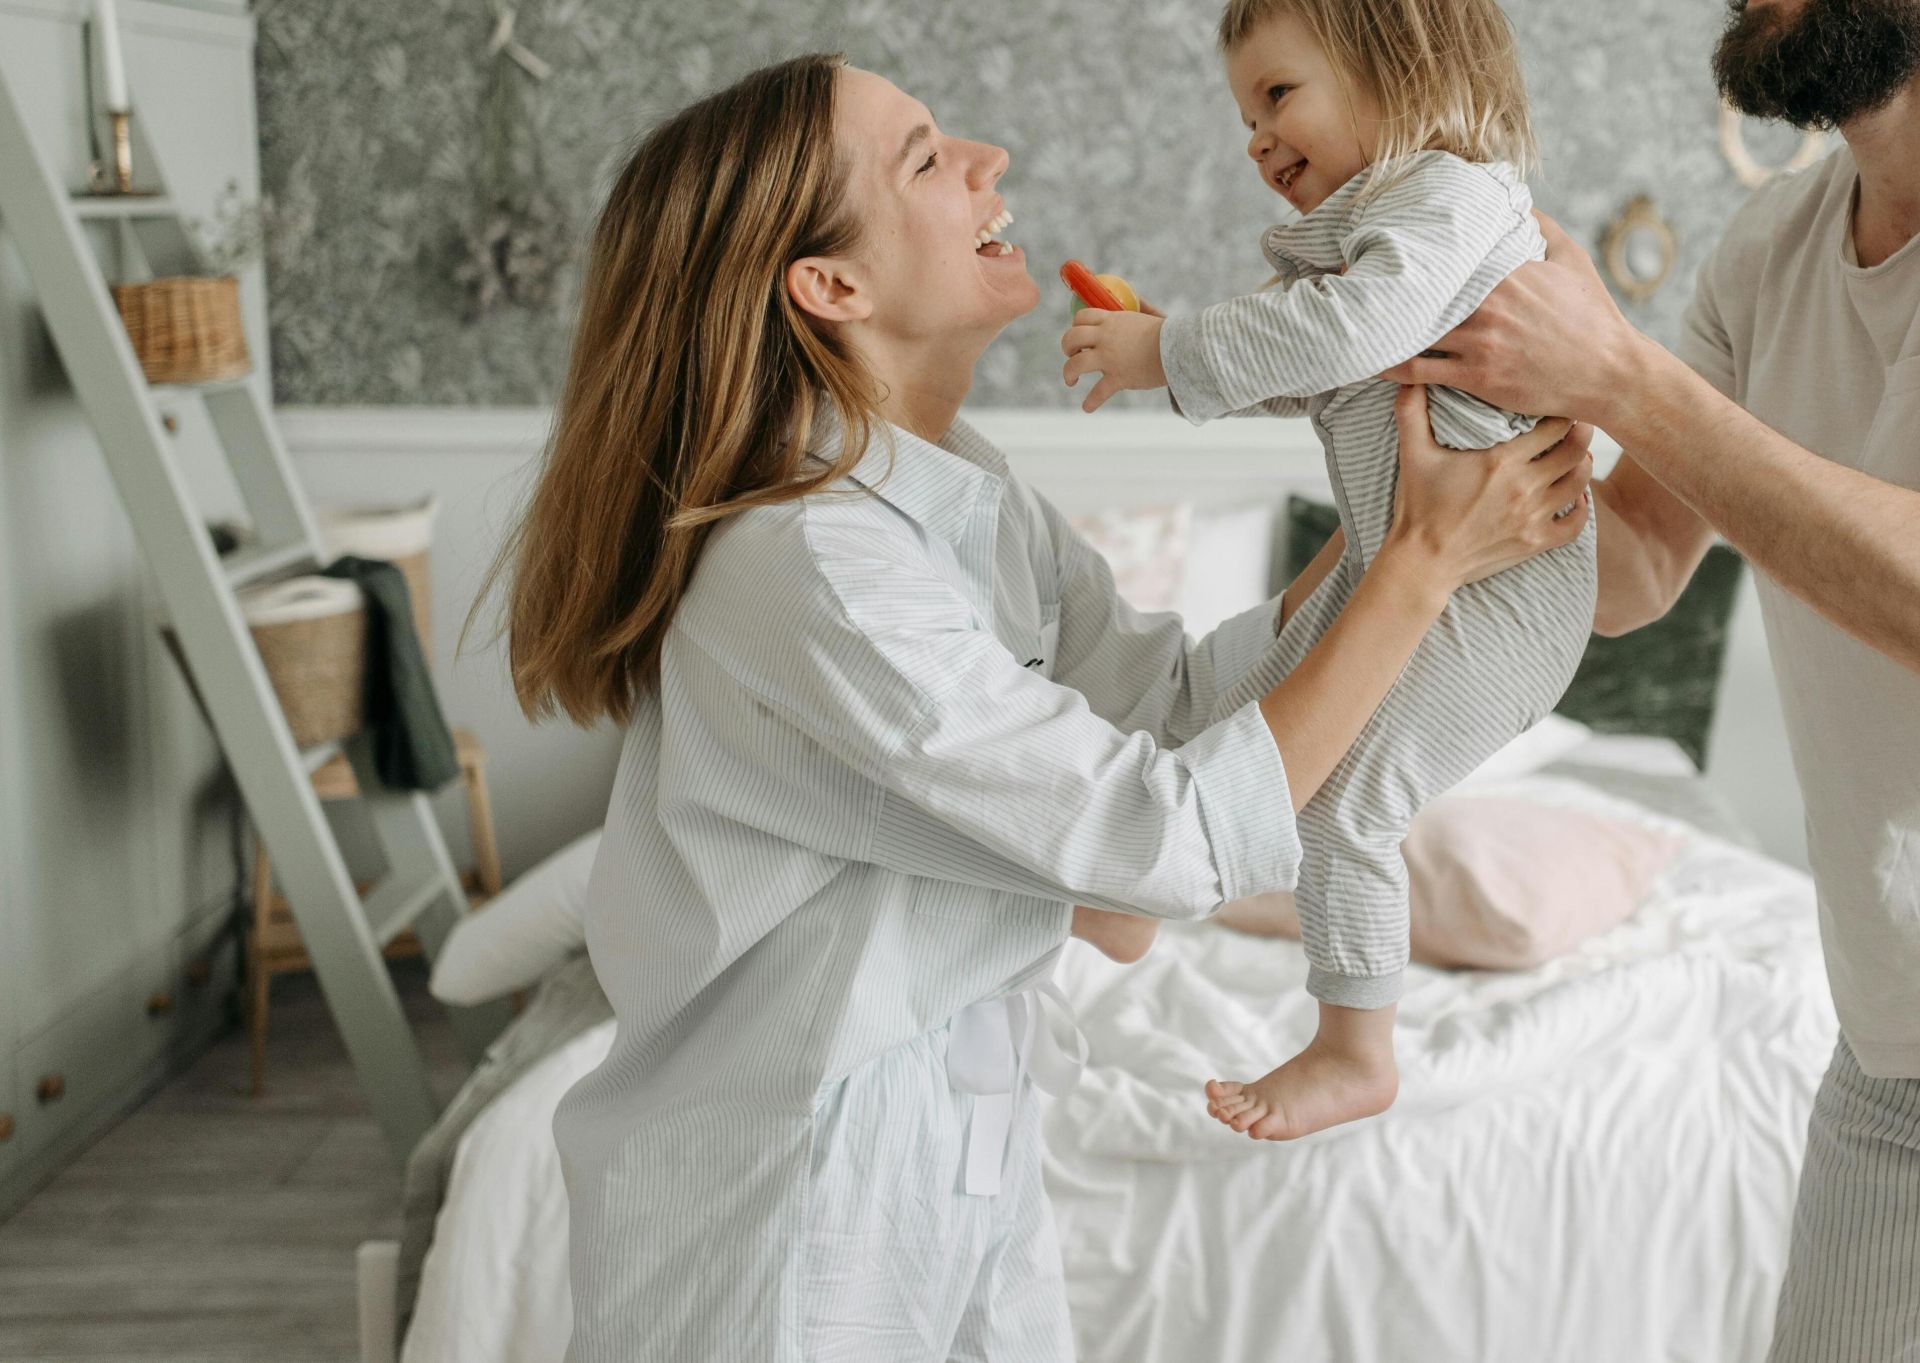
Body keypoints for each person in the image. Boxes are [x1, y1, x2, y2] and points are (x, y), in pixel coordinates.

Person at [474, 52, 1591, 1361]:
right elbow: (1158, 835)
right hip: (798, 1198)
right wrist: (1414, 570)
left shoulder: (973, 498)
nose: (986, 158)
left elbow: (1174, 704)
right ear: (831, 287)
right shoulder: (812, 564)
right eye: (927, 154)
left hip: (965, 1160)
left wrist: (1369, 551)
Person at [1382, 0, 1920, 1355]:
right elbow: (1632, 572)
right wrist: (1478, 416)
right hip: (1892, 1050)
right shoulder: (1775, 242)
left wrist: (1620, 371)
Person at [1059, 0, 1595, 1143]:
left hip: (1499, 599)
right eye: (1245, 112)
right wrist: (1179, 344)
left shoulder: (1452, 199)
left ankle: (1357, 1047)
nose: (1255, 138)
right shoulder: (1390, 240)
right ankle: (1130, 898)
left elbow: (1349, 332)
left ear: (1398, 75)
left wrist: (1173, 350)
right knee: (1227, 697)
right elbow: (1336, 362)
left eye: (1277, 96)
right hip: (1398, 564)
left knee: (1346, 798)